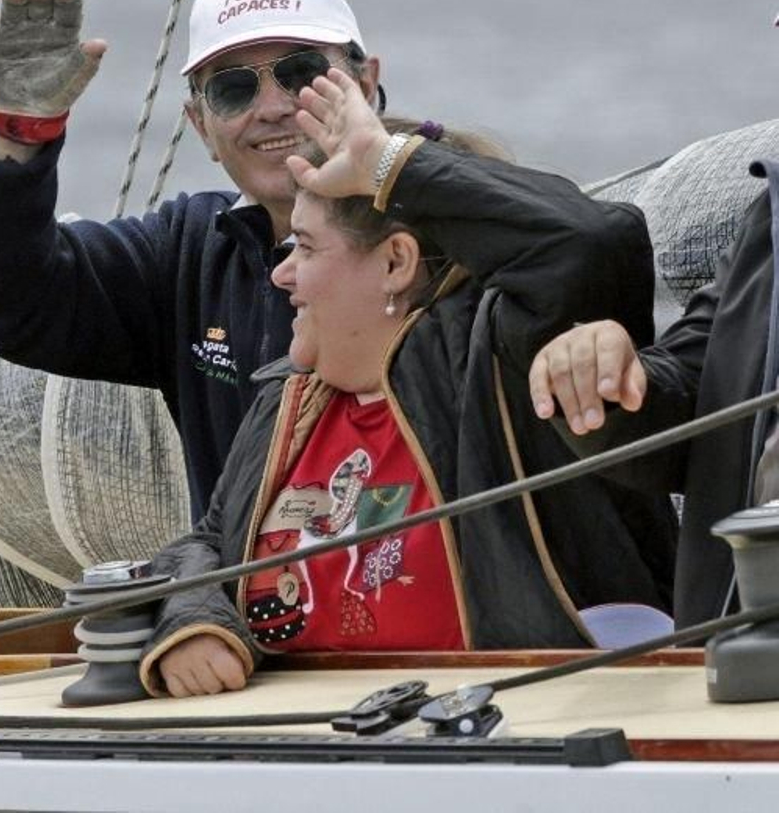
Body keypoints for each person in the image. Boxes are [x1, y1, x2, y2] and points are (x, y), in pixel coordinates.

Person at [135, 69, 677, 698]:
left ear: (396, 262)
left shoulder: (502, 357)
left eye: (305, 249)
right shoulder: (288, 394)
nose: (282, 275)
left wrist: (389, 164)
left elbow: (594, 240)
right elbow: (208, 542)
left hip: (509, 742)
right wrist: (195, 620)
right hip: (316, 753)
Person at [0, 0, 387, 512]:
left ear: (365, 85)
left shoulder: (447, 230)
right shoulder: (191, 252)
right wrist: (15, 130)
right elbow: (6, 300)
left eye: (300, 74)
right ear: (200, 125)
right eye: (232, 89)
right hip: (241, 595)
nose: (273, 108)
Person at [529, 171, 779, 628]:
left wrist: (392, 162)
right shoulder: (772, 214)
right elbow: (698, 393)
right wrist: (611, 377)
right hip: (748, 641)